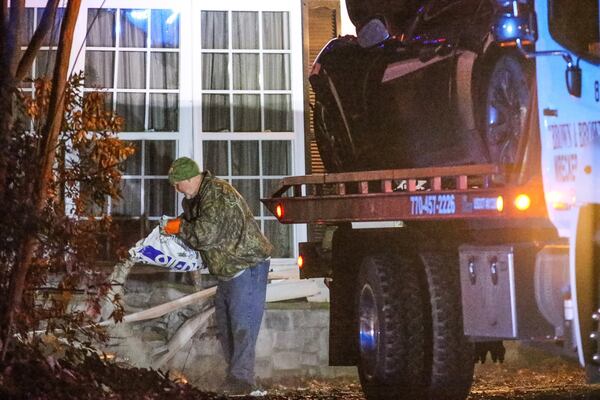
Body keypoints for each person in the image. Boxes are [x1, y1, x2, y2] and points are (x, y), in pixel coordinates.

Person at [163, 156, 273, 395]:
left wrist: (178, 228)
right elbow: (195, 226)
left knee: (242, 326)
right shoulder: (195, 198)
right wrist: (175, 226)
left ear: (192, 179)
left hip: (246, 266)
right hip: (229, 270)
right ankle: (235, 377)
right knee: (226, 326)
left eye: (178, 183)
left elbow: (205, 234)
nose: (176, 189)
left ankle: (241, 381)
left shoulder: (216, 194)